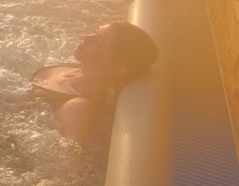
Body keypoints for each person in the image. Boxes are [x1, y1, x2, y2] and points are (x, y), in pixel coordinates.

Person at [30, 21, 158, 143]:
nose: (87, 37)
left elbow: (72, 162)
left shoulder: (79, 108)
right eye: (95, 32)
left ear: (116, 69)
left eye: (99, 43)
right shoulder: (76, 67)